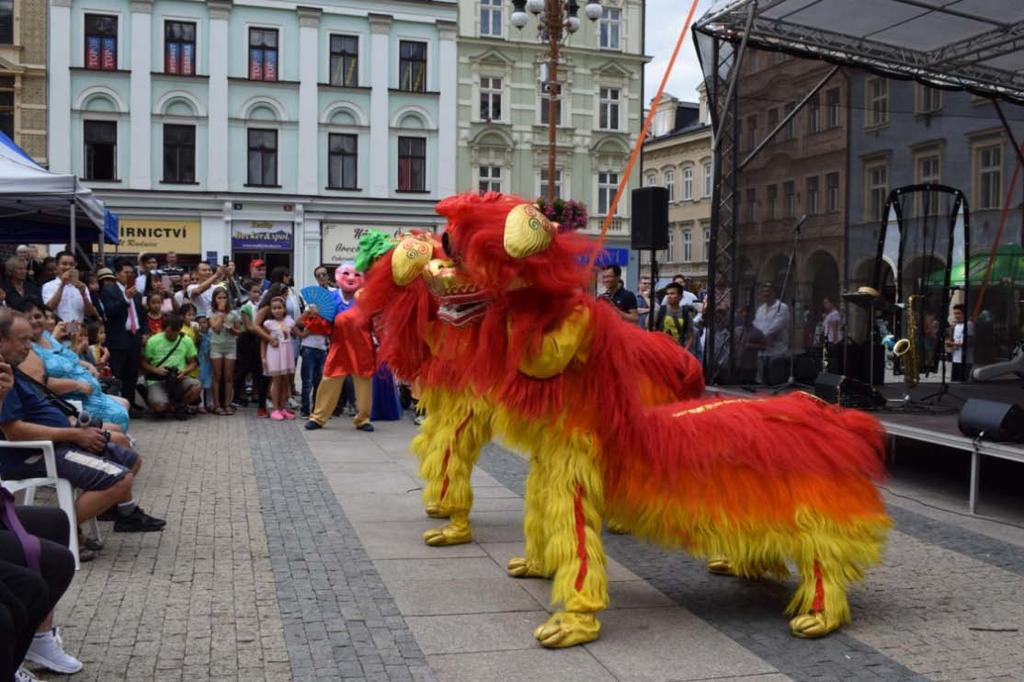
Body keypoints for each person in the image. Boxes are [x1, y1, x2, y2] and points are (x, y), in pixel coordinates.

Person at [0, 310, 165, 535]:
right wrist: (75, 435)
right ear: (2, 340)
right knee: (121, 479)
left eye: (30, 339)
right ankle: (54, 534)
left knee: (130, 459)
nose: (29, 346)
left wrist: (74, 426)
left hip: (60, 440)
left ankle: (115, 513)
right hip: (36, 454)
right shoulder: (4, 379)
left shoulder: (14, 370)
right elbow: (14, 432)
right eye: (23, 340)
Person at [19, 302, 130, 432]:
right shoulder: (27, 349)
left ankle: (118, 446)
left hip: (89, 394)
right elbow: (40, 385)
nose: (34, 321)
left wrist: (87, 365)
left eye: (38, 316)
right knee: (119, 416)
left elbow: (68, 358)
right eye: (27, 319)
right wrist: (77, 385)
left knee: (122, 406)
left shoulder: (46, 336)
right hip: (71, 401)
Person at [305, 263, 375, 432]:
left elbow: (376, 324)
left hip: (362, 347)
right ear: (338, 277)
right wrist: (314, 316)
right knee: (329, 379)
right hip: (339, 347)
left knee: (364, 383)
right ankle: (319, 417)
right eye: (346, 274)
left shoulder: (367, 300)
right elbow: (324, 327)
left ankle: (363, 419)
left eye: (356, 275)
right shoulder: (331, 299)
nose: (351, 278)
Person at [100, 258, 146, 409]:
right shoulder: (109, 290)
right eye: (126, 273)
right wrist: (126, 298)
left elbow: (140, 314)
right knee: (117, 374)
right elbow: (110, 311)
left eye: (132, 273)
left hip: (134, 336)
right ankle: (115, 406)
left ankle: (130, 403)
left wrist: (143, 332)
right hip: (118, 338)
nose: (129, 276)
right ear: (117, 274)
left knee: (132, 374)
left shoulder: (137, 294)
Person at [140, 313, 201, 418]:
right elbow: (143, 362)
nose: (170, 334)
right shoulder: (153, 341)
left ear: (179, 330)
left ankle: (179, 406)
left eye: (173, 332)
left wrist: (185, 371)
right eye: (167, 331)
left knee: (197, 386)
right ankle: (164, 405)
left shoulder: (186, 340)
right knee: (159, 406)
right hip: (157, 380)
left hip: (179, 379)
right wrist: (155, 370)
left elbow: (194, 363)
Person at [234, 281, 270, 415]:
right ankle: (240, 395)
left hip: (257, 339)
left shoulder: (260, 307)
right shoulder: (245, 308)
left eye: (258, 292)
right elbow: (249, 326)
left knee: (258, 368)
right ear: (248, 293)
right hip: (247, 339)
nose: (257, 294)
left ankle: (256, 394)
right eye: (254, 292)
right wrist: (261, 331)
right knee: (243, 369)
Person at [208, 288, 242, 415]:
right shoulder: (211, 312)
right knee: (217, 376)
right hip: (216, 346)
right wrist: (221, 315)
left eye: (224, 297)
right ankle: (217, 405)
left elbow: (239, 331)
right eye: (219, 298)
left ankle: (227, 404)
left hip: (230, 346)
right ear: (214, 300)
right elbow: (215, 328)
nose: (222, 300)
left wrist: (232, 329)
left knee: (228, 377)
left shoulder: (233, 313)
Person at [262, 297, 296, 420]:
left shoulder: (289, 321)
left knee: (285, 381)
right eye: (274, 308)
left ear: (284, 309)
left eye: (279, 308)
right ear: (271, 310)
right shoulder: (269, 324)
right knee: (276, 381)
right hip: (275, 353)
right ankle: (275, 408)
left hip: (287, 353)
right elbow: (264, 341)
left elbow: (297, 332)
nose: (277, 311)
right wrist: (263, 357)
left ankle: (282, 407)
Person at [41, 251, 97, 325]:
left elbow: (90, 313)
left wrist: (84, 295)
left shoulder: (81, 286)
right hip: (58, 330)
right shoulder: (48, 286)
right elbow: (49, 308)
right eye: (64, 264)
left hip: (77, 330)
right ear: (57, 266)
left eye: (71, 264)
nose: (68, 267)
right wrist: (62, 285)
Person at [653, 282, 694, 351]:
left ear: (680, 296)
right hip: (660, 350)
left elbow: (690, 336)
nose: (669, 296)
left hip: (677, 351)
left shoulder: (686, 313)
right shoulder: (660, 311)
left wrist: (684, 351)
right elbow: (650, 330)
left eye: (672, 293)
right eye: (667, 294)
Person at [946, 303, 975, 382]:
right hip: (956, 358)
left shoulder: (968, 325)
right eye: (955, 314)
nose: (956, 316)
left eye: (958, 313)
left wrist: (953, 344)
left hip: (965, 360)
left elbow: (969, 342)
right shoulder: (956, 326)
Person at [822, 296, 844, 374]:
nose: (825, 305)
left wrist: (834, 341)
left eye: (826, 303)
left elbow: (834, 328)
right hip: (829, 339)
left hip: (833, 341)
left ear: (831, 303)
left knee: (833, 360)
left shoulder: (834, 314)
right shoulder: (829, 314)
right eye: (824, 303)